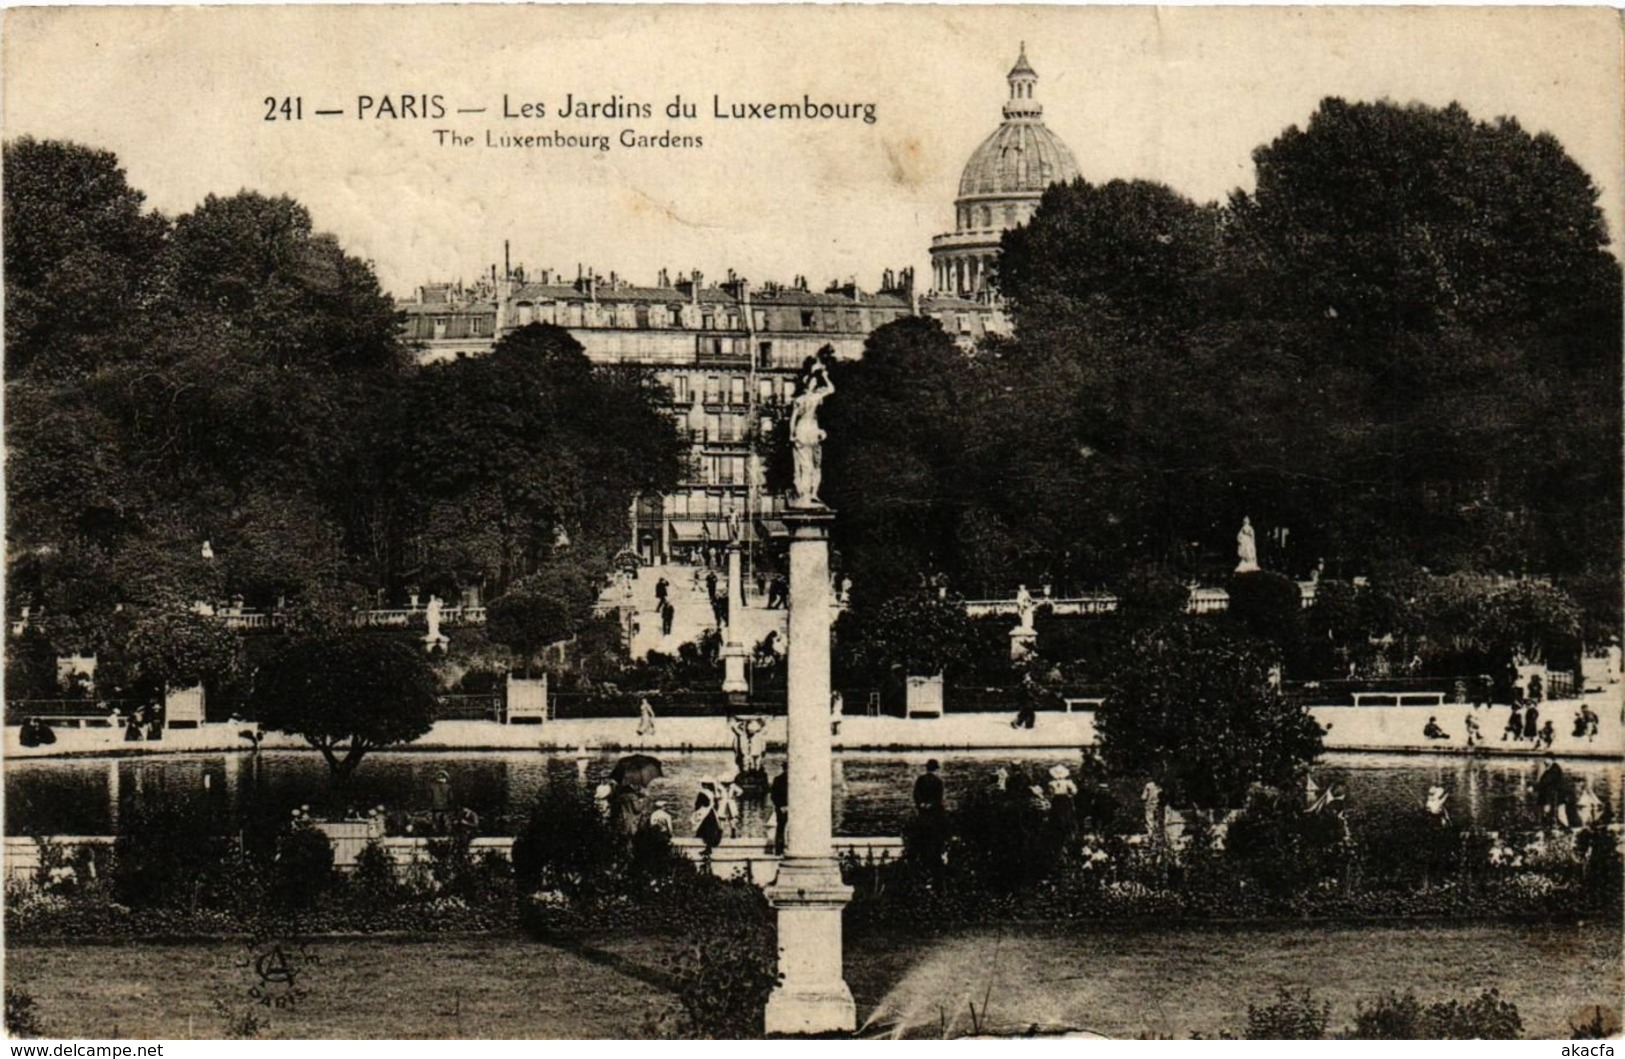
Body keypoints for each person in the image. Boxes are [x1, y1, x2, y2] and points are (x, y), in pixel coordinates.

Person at [1534, 755, 1569, 827]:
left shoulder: (1554, 770)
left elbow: (1546, 781)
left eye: (1546, 759)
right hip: (1552, 796)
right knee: (1551, 812)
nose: (1544, 761)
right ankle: (1554, 826)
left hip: (1556, 796)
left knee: (1558, 814)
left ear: (1551, 760)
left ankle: (1564, 828)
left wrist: (1535, 788)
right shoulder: (1550, 769)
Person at [1048, 764, 1078, 843]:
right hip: (1064, 799)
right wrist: (1069, 795)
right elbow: (1074, 791)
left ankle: (1057, 831)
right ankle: (1066, 832)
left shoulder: (1051, 783)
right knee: (1066, 815)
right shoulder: (1068, 782)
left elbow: (1050, 793)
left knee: (1056, 815)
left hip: (1057, 799)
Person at [692, 778, 724, 849]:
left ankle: (702, 842)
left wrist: (697, 811)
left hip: (704, 811)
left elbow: (698, 804)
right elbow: (716, 804)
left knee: (702, 825)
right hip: (711, 811)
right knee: (712, 826)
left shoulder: (702, 793)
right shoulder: (712, 792)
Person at [770, 766, 789, 856]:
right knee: (781, 827)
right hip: (782, 808)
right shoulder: (778, 779)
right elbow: (774, 795)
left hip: (793, 808)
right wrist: (781, 805)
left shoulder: (797, 779)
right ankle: (779, 849)